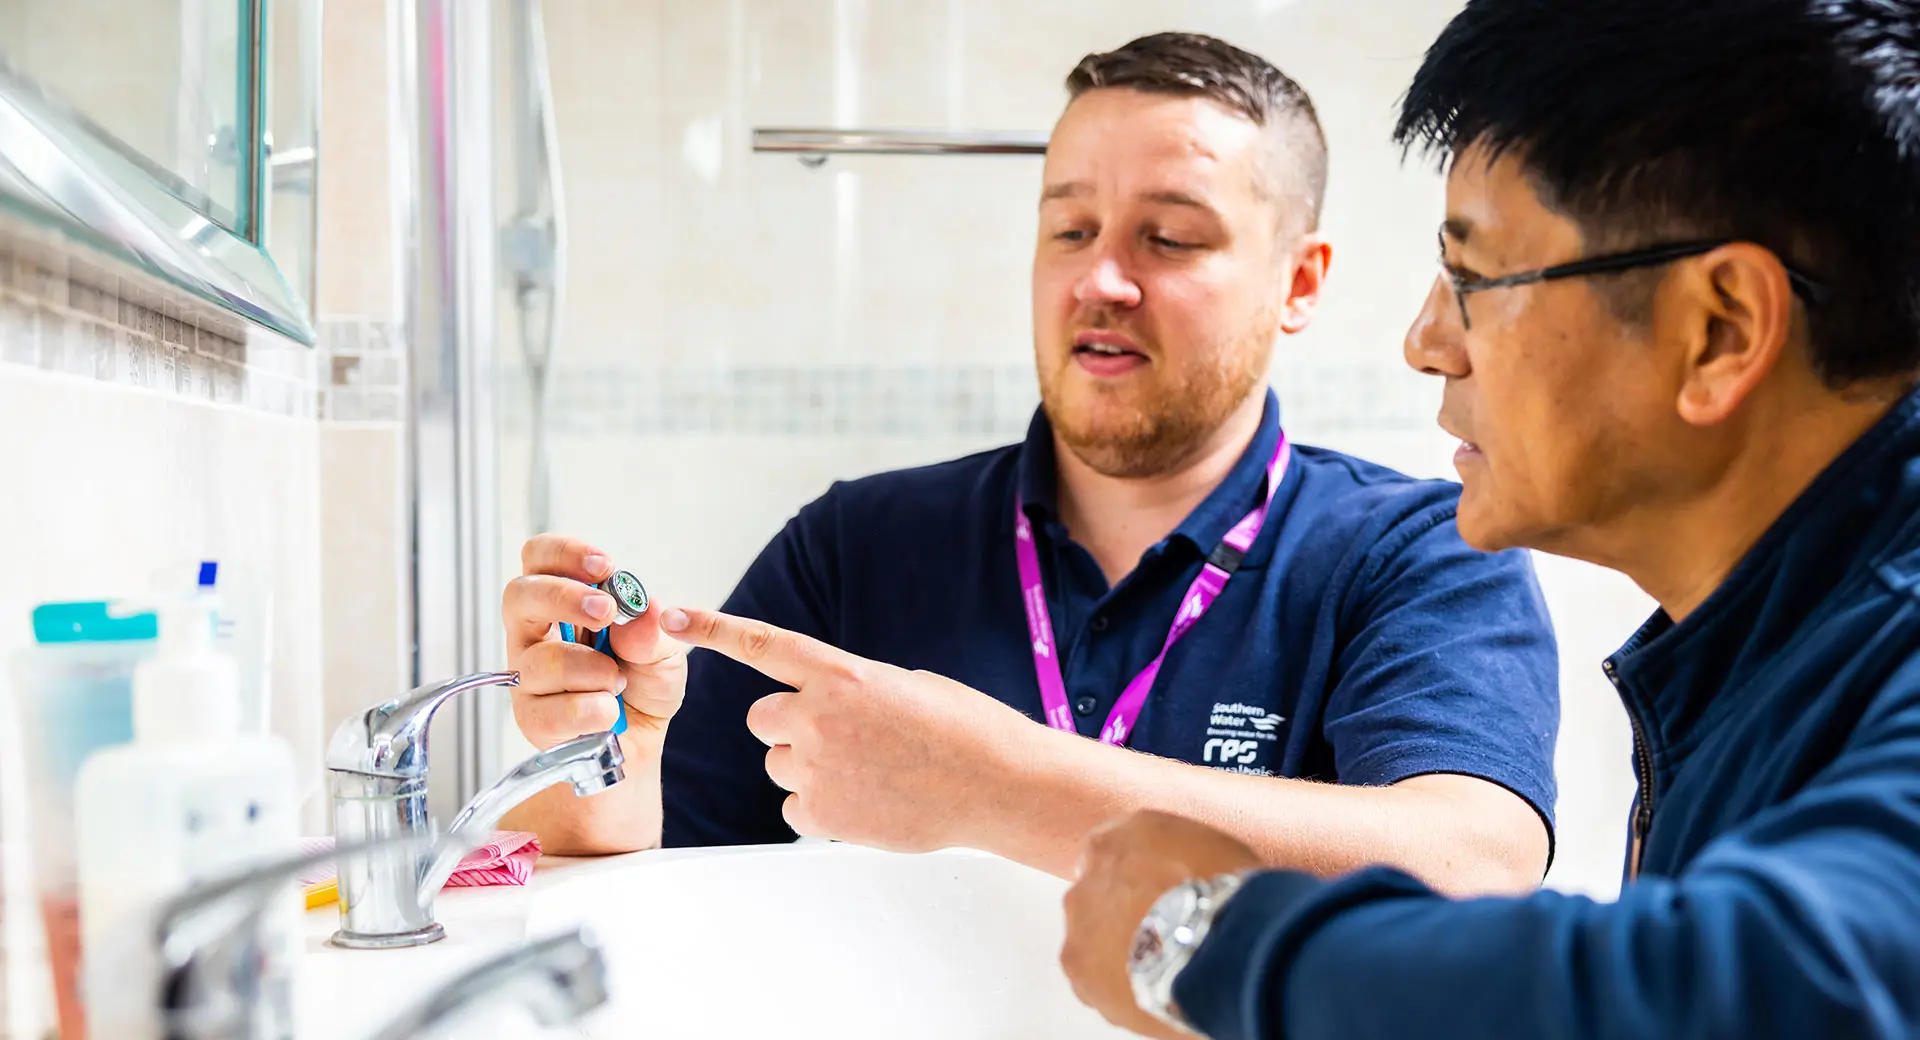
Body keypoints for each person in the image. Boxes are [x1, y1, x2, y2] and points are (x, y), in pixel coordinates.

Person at [500, 32, 1559, 890]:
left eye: (1171, 238)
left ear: (1300, 281)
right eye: (1071, 227)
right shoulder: (855, 547)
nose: (1102, 277)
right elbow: (660, 875)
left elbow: (1473, 859)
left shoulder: (1419, 547)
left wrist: (993, 783)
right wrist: (610, 758)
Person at [1056, 1, 1920, 1037]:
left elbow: (1780, 982)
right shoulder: (1773, 655)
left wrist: (1210, 936)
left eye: (1473, 275)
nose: (1428, 339)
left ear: (1719, 329)